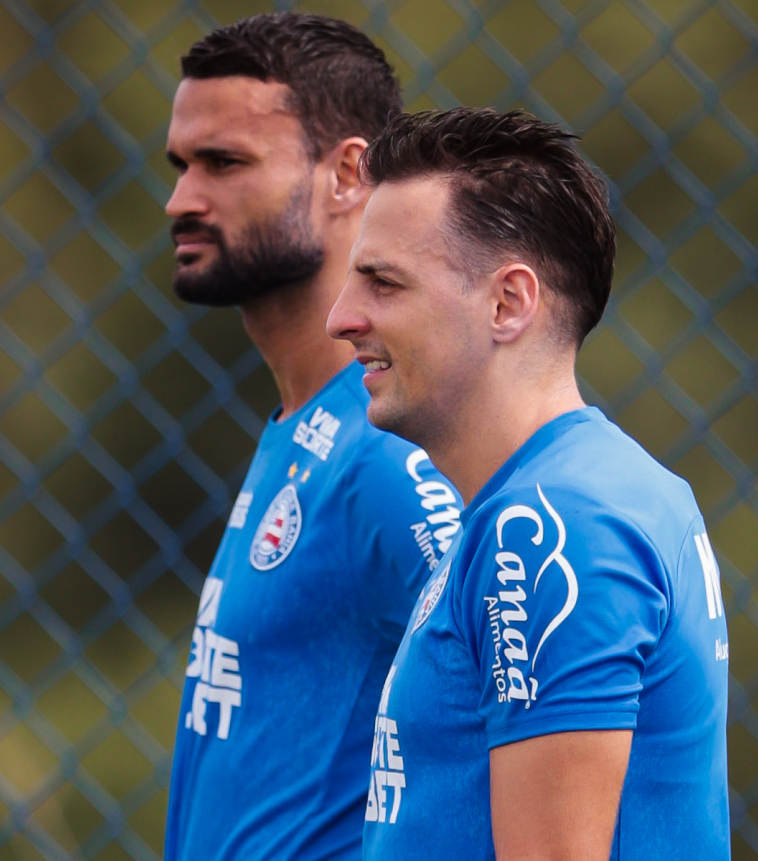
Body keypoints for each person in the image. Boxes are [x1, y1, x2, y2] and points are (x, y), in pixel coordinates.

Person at [327, 107, 731, 859]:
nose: (341, 318)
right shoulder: (567, 496)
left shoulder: (555, 526)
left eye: (382, 282)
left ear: (508, 302)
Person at [161, 15, 459, 860]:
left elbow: (526, 701)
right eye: (181, 166)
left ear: (348, 174)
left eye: (224, 163)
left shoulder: (390, 449)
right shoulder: (305, 425)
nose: (181, 198)